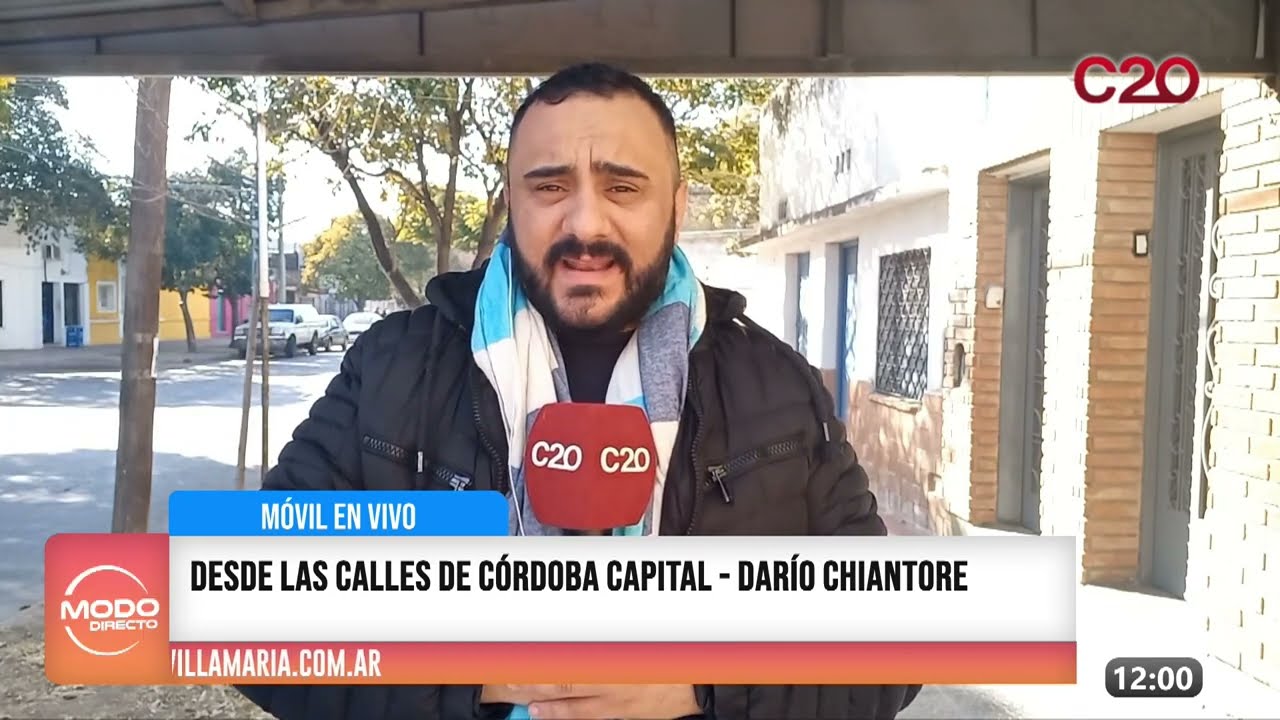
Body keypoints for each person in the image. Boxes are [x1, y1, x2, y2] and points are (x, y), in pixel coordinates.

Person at [239, 63, 922, 720]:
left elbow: (897, 641)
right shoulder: (393, 368)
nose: (586, 225)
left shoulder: (777, 386)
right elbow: (243, 610)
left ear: (676, 206)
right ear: (512, 202)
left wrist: (707, 684)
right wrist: (470, 676)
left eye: (623, 188)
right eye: (549, 187)